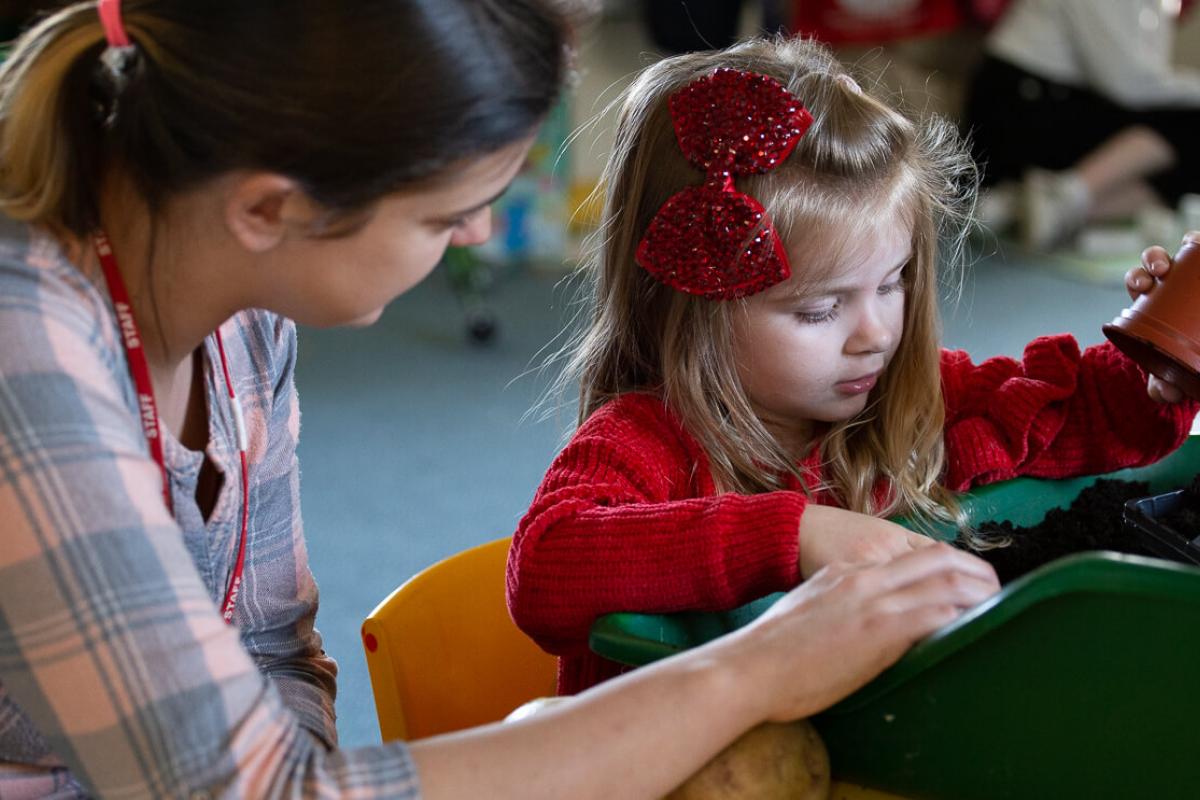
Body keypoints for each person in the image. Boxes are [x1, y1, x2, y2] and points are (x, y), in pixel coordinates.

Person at [0, 2, 1004, 798]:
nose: (480, 235)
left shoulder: (235, 305)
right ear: (271, 208)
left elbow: (268, 647)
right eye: (449, 210)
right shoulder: (24, 348)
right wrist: (764, 667)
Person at [506, 34, 1199, 696]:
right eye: (818, 311)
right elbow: (545, 570)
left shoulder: (909, 397)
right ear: (686, 306)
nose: (874, 335)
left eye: (893, 282)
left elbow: (1075, 419)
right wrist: (794, 535)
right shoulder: (640, 443)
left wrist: (1154, 375)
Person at [964, 0, 1200, 251]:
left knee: (1187, 152)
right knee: (1189, 127)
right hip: (1017, 105)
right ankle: (1064, 196)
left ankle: (1027, 205)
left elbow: (1149, 73)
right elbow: (1130, 84)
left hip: (1056, 101)